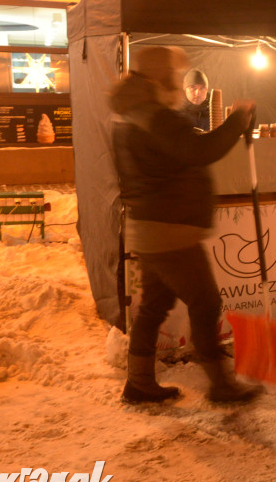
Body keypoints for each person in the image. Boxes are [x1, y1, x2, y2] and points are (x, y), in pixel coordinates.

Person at [110, 45, 262, 404]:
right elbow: (199, 151)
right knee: (206, 302)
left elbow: (180, 154)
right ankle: (221, 386)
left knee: (153, 305)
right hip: (169, 230)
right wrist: (238, 120)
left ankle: (140, 382)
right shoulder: (154, 115)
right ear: (161, 76)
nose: (179, 82)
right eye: (174, 75)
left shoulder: (131, 114)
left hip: (151, 227)